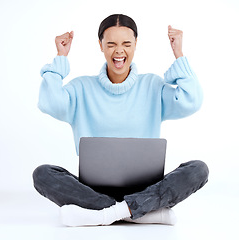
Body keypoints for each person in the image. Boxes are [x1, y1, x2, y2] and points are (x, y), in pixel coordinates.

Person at [33, 14, 209, 227]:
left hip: (146, 189)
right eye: (111, 44)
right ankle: (139, 211)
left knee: (198, 169)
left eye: (126, 44)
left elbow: (192, 100)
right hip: (93, 190)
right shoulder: (81, 88)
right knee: (42, 174)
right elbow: (49, 103)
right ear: (101, 46)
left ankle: (106, 214)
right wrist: (61, 57)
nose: (119, 51)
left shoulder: (152, 86)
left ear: (136, 44)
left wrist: (178, 54)